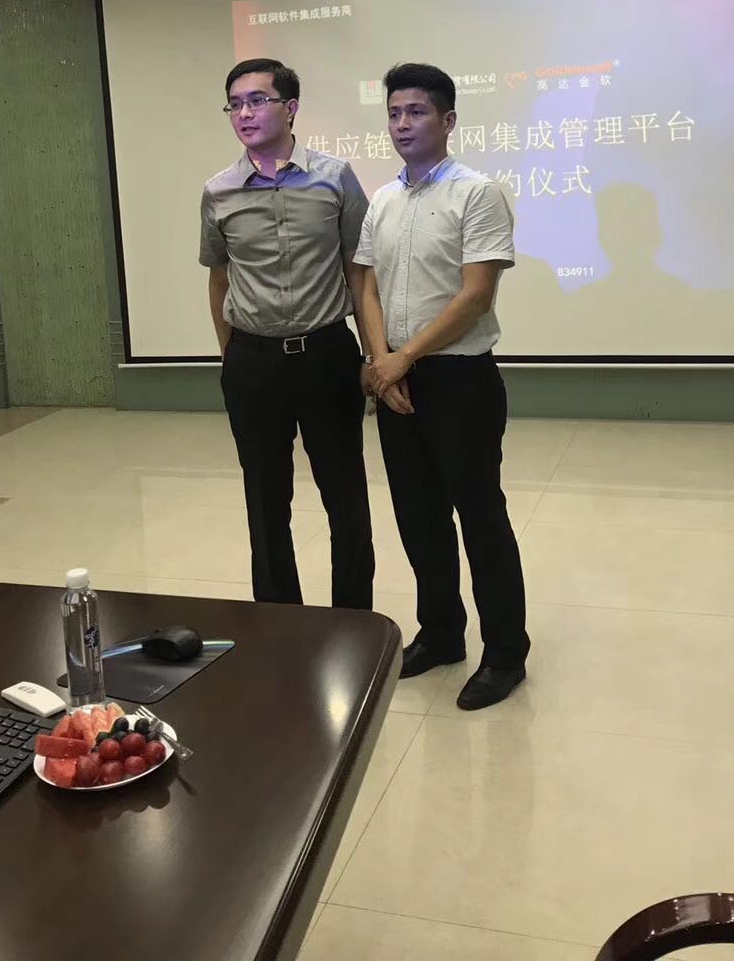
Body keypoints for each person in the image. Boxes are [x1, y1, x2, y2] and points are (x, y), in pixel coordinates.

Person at [354, 62, 530, 710]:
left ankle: (505, 653)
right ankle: (441, 634)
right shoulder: (383, 199)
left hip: (459, 379)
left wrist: (402, 359)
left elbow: (476, 294)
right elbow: (366, 285)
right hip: (396, 378)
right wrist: (381, 360)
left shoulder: (477, 193)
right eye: (394, 113)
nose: (403, 124)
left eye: (417, 112)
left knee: (480, 516)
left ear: (448, 119)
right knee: (418, 516)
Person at [200, 57, 374, 610]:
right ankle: (279, 623)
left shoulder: (335, 177)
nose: (245, 113)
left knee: (346, 497)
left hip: (327, 354)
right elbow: (220, 277)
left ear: (290, 107)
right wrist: (231, 356)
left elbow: (360, 271)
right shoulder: (219, 191)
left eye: (258, 100)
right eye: (235, 104)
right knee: (265, 501)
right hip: (253, 363)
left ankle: (352, 621)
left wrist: (376, 357)